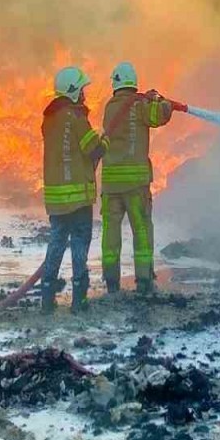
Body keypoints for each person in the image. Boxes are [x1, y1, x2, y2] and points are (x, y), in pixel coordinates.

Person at [99, 62, 173, 293]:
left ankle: (111, 281)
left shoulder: (110, 107)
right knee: (141, 231)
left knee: (110, 233)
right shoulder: (141, 105)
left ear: (116, 83)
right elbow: (159, 116)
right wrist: (163, 102)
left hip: (111, 186)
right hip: (135, 186)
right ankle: (143, 281)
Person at [40, 66, 105, 313]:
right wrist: (104, 142)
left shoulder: (48, 120)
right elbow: (94, 150)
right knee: (79, 246)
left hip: (56, 200)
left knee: (55, 244)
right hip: (78, 200)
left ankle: (47, 299)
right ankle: (79, 300)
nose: (85, 95)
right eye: (83, 90)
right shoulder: (77, 119)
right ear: (74, 91)